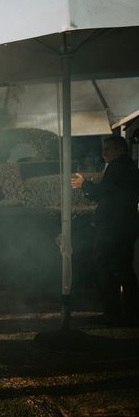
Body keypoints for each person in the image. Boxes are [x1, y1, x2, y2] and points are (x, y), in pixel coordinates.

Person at [71, 135, 139, 325]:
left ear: (120, 150)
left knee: (107, 266)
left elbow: (102, 193)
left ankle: (114, 311)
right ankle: (130, 311)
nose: (103, 153)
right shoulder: (128, 166)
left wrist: (84, 184)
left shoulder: (119, 168)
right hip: (124, 226)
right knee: (123, 268)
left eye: (107, 149)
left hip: (114, 228)